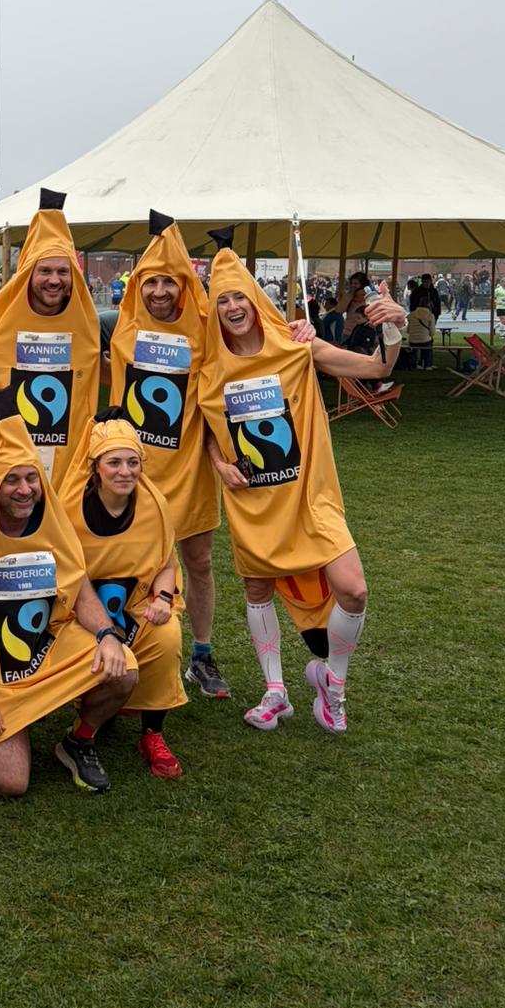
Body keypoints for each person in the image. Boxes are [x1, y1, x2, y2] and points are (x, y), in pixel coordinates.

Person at [198, 243, 406, 735]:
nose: (233, 307)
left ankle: (333, 683)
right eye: (223, 300)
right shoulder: (208, 370)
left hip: (311, 498)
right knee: (257, 589)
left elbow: (377, 368)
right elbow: (204, 427)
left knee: (353, 589)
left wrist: (392, 326)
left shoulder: (298, 348)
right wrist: (219, 464)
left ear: (256, 300)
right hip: (254, 502)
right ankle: (275, 692)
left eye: (240, 297)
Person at [0, 396, 138, 797]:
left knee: (124, 669)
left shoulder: (50, 519)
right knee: (11, 783)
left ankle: (78, 740)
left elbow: (78, 587)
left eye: (31, 478)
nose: (24, 489)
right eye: (12, 480)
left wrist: (106, 635)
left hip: (47, 653)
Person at [107, 211, 239, 701]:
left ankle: (201, 655)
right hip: (131, 474)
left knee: (198, 563)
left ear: (184, 285)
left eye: (169, 281)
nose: (160, 291)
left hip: (189, 470)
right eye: (151, 282)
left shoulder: (205, 332)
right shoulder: (123, 330)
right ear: (138, 285)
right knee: (127, 565)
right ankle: (127, 647)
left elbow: (214, 401)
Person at [59, 411, 188, 776]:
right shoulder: (69, 509)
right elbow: (66, 578)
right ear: (95, 467)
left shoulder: (154, 506)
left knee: (166, 634)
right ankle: (90, 716)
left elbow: (166, 562)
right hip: (80, 615)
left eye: (133, 462)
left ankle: (152, 733)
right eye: (113, 462)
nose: (125, 471)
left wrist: (163, 599)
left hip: (135, 606)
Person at [0, 188, 101, 490]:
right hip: (9, 462)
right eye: (44, 271)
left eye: (62, 271)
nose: (54, 280)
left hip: (69, 465)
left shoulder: (89, 323)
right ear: (28, 274)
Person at [407, 290, 436, 369]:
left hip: (413, 340)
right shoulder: (430, 315)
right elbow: (432, 332)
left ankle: (415, 364)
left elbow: (408, 330)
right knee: (429, 344)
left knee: (414, 348)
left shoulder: (411, 315)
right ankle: (428, 364)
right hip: (425, 340)